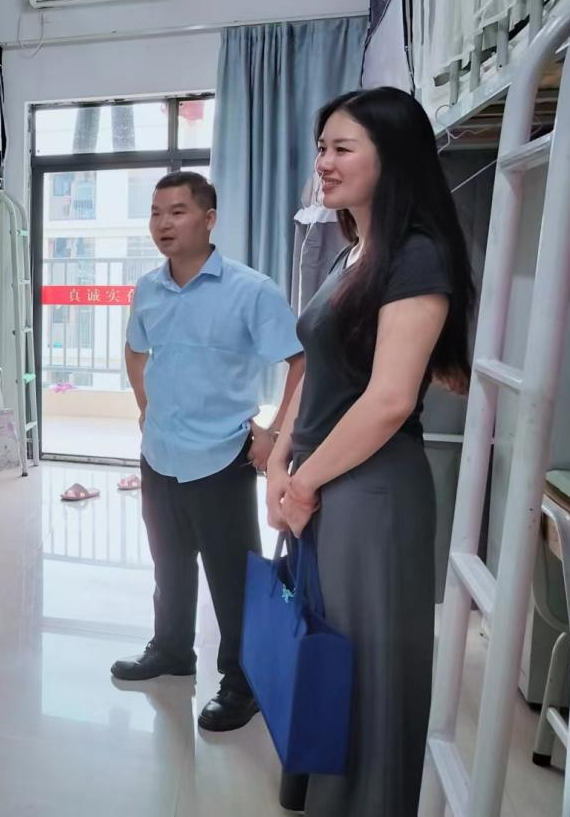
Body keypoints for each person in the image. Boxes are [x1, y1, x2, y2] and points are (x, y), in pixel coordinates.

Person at [268, 87, 475, 816]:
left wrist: (303, 482)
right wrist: (280, 458)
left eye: (341, 148)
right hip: (326, 481)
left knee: (365, 672)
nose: (322, 163)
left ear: (392, 158)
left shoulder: (416, 255)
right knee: (326, 654)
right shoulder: (353, 252)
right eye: (320, 148)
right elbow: (316, 370)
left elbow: (388, 401)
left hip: (370, 490)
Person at [111, 171, 306, 733]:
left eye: (177, 211)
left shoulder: (251, 290)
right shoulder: (148, 288)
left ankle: (243, 683)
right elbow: (135, 350)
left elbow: (301, 362)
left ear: (209, 218)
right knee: (168, 564)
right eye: (155, 213)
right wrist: (145, 406)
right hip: (160, 452)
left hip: (222, 455)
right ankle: (172, 650)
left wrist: (276, 434)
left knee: (232, 578)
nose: (163, 224)